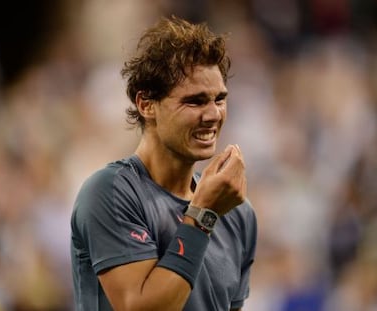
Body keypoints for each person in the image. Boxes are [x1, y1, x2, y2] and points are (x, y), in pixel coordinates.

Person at [70, 16, 257, 311]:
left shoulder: (237, 213)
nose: (213, 115)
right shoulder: (109, 192)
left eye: (219, 99)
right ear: (146, 104)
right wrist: (204, 215)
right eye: (195, 101)